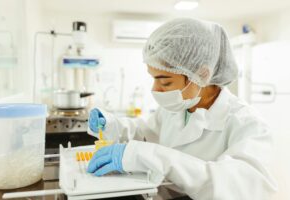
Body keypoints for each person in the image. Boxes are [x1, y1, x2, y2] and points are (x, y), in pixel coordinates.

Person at [87, 18, 277, 200]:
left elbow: (241, 188)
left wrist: (153, 156)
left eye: (165, 82)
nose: (155, 89)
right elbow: (145, 131)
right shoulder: (178, 107)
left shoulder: (247, 123)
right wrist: (111, 124)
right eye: (153, 79)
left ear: (202, 74)